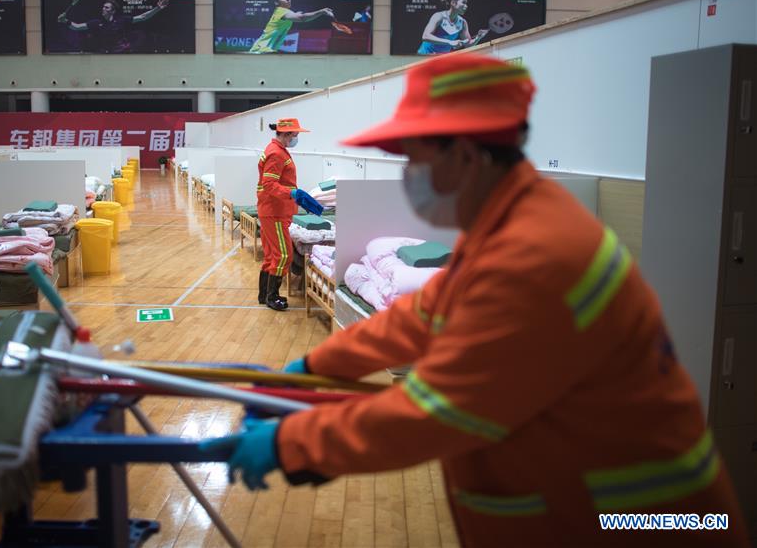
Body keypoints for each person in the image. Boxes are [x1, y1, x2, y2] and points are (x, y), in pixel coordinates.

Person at [204, 54, 749, 547]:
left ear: (465, 155)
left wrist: (293, 444)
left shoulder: (541, 254)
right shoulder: (509, 225)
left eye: (413, 159)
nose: (408, 175)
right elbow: (421, 316)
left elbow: (436, 412)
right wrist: (311, 369)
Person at [255, 118, 324, 311]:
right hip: (274, 211)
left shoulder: (276, 150)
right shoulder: (276, 153)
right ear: (286, 134)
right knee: (284, 254)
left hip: (273, 210)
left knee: (271, 256)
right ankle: (272, 296)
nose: (297, 138)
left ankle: (264, 295)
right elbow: (269, 185)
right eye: (295, 135)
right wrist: (292, 193)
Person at [58, 0, 169, 53]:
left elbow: (143, 17)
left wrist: (158, 8)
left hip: (123, 53)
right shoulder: (96, 23)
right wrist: (65, 21)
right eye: (103, 7)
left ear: (113, 11)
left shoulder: (121, 20)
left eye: (106, 7)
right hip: (105, 54)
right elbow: (77, 27)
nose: (103, 9)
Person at [248, 0, 335, 54]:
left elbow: (293, 16)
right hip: (261, 51)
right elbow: (302, 18)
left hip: (265, 51)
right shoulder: (281, 11)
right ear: (276, 2)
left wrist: (296, 14)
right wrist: (321, 11)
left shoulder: (283, 12)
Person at [417, 0, 488, 55]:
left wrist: (478, 37)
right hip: (424, 55)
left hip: (441, 58)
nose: (466, 6)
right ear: (453, 3)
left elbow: (468, 44)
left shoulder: (462, 23)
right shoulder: (439, 16)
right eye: (463, 2)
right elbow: (425, 36)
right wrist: (449, 42)